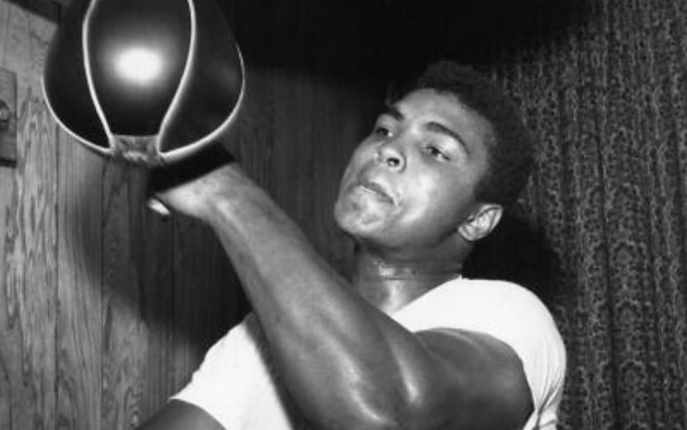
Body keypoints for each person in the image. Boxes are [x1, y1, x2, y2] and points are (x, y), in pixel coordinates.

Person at [136, 61, 566, 430]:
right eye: (384, 129)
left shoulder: (510, 316)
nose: (389, 149)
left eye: (435, 150)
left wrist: (226, 192)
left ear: (477, 219)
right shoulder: (271, 332)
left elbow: (388, 413)